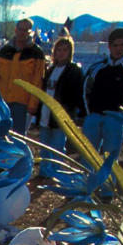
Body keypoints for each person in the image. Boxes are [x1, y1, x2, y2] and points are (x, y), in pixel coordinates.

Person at [82, 28, 123, 166]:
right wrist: (89, 113)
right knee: (87, 158)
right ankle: (86, 186)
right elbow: (86, 90)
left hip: (115, 119)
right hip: (94, 117)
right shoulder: (97, 67)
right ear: (109, 46)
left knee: (110, 161)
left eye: (122, 45)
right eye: (115, 45)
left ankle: (107, 187)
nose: (118, 49)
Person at [0, 18, 46, 134]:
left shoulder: (36, 53)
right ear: (15, 30)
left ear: (30, 32)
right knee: (0, 137)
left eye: (26, 30)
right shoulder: (3, 51)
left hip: (22, 104)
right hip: (2, 102)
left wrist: (33, 104)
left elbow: (37, 80)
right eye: (20, 29)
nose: (22, 32)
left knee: (17, 140)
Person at [37, 36, 84, 175]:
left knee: (57, 145)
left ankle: (57, 173)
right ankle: (44, 171)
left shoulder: (74, 71)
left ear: (70, 52)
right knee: (44, 145)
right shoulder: (50, 70)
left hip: (61, 116)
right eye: (59, 50)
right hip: (46, 113)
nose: (61, 53)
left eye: (65, 50)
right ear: (54, 52)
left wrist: (70, 112)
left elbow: (77, 94)